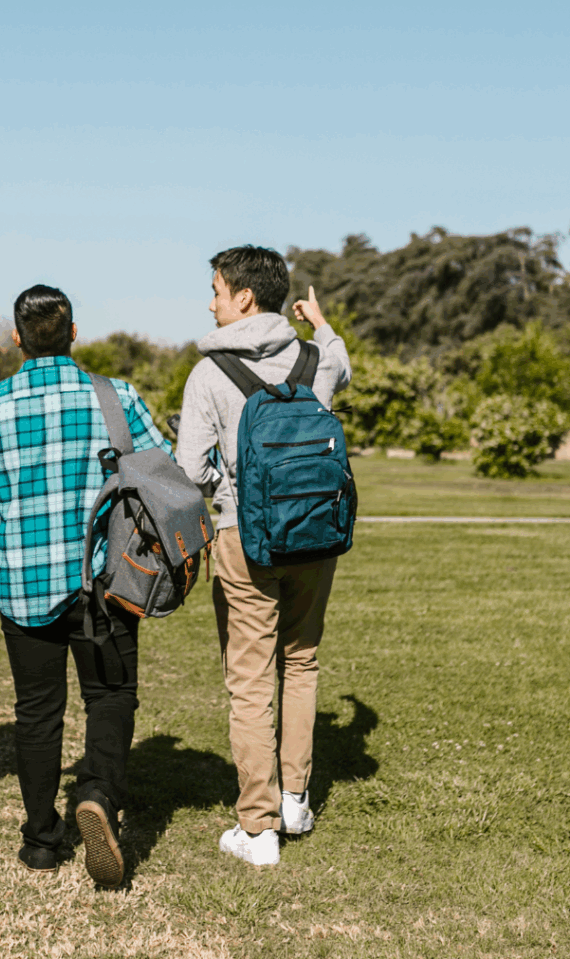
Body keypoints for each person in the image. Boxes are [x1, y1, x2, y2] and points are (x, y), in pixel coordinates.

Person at [0, 285, 173, 887]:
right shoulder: (116, 398)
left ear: (16, 337)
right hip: (105, 580)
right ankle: (98, 793)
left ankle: (43, 841)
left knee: (37, 713)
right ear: (74, 331)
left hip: (24, 583)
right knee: (111, 696)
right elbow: (162, 472)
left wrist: (12, 518)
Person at [176, 246, 351, 867]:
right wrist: (321, 322)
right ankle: (296, 799)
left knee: (249, 681)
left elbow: (191, 470)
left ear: (243, 297)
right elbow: (342, 368)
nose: (211, 302)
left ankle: (258, 828)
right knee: (301, 663)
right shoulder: (314, 359)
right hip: (315, 535)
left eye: (217, 290)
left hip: (244, 540)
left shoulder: (209, 373)